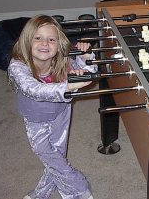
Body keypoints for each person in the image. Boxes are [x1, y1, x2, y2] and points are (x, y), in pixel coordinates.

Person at [8, 15, 97, 199]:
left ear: (59, 44)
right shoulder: (17, 66)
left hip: (61, 113)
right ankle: (79, 185)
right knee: (47, 154)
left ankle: (41, 194)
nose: (44, 44)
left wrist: (85, 57)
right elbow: (33, 89)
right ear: (26, 40)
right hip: (35, 118)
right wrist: (68, 86)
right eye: (38, 38)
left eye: (51, 39)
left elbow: (89, 74)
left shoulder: (62, 59)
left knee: (55, 157)